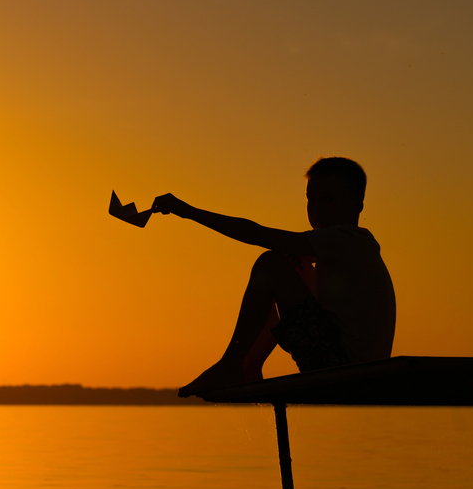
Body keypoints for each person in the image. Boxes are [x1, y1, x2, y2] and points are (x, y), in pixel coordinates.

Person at [151, 157, 395, 396]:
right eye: (311, 200)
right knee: (290, 262)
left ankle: (231, 365)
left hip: (341, 368)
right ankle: (249, 366)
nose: (317, 209)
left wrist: (188, 211)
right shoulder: (353, 245)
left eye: (328, 200)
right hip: (348, 365)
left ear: (357, 205)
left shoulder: (345, 238)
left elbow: (256, 234)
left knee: (270, 264)